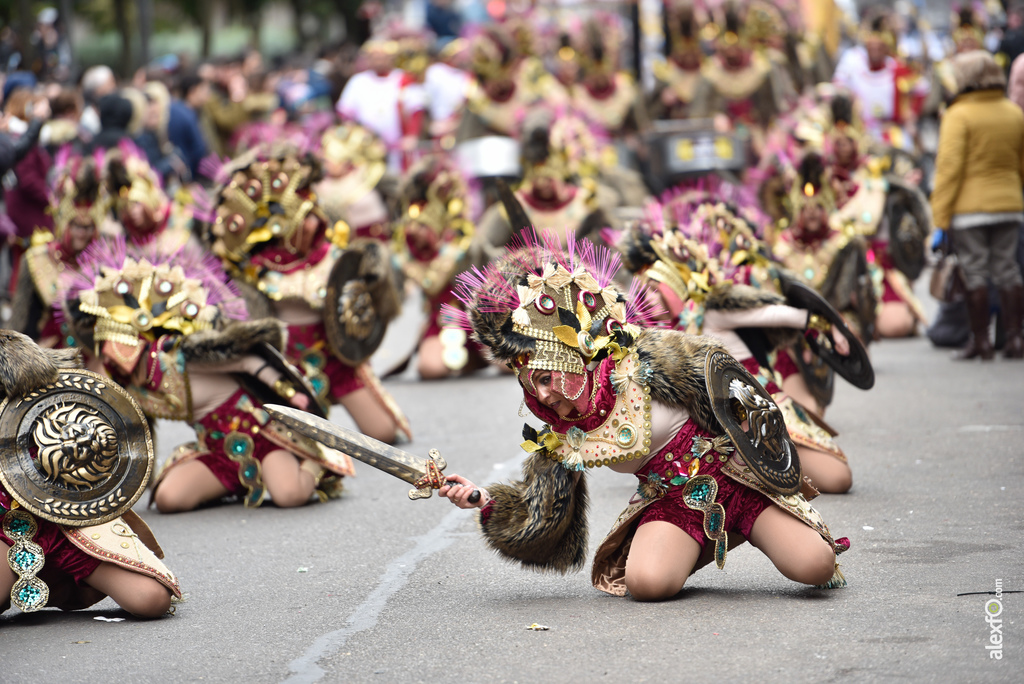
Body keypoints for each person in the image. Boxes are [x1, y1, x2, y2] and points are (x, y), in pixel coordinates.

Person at [438, 230, 849, 601]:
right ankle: (700, 538)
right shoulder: (562, 435)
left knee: (815, 566)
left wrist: (756, 452)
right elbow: (541, 514)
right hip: (671, 501)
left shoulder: (644, 358)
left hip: (738, 477)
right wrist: (480, 499)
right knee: (647, 585)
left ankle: (761, 522)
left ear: (570, 356)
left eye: (546, 377)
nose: (542, 393)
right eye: (530, 383)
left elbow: (727, 380)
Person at [61, 238, 355, 512]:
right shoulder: (128, 387)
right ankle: (241, 481)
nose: (110, 354)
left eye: (114, 343)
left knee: (290, 495)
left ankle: (316, 459)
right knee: (168, 499)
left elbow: (248, 360)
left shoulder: (177, 354)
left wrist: (290, 392)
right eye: (104, 349)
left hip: (264, 436)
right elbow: (129, 435)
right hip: (216, 449)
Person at [0, 330, 180, 617]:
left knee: (152, 600)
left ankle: (56, 581)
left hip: (65, 520)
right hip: (4, 527)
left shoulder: (22, 365)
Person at [930, 50, 1024, 360]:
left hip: (970, 210)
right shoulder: (1013, 113)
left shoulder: (959, 115)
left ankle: (980, 341)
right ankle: (1015, 339)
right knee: (1008, 269)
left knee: (975, 272)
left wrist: (940, 215)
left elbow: (949, 169)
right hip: (1010, 205)